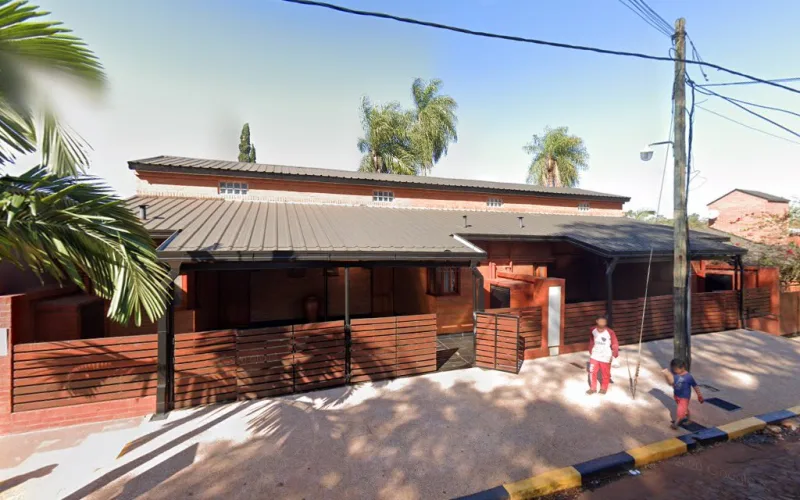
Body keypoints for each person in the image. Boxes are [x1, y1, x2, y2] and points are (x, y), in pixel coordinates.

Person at [662, 358, 704, 429]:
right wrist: (667, 375)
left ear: (682, 368)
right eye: (673, 369)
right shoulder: (675, 374)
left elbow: (695, 386)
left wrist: (699, 395)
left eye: (675, 369)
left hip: (684, 397)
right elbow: (671, 383)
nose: (673, 370)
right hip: (677, 395)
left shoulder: (688, 377)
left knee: (680, 411)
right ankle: (689, 420)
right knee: (684, 408)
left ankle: (676, 424)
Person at [586, 316, 619, 395]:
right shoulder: (592, 330)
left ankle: (604, 388)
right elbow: (591, 341)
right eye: (600, 321)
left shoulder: (610, 332)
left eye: (603, 322)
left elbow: (615, 343)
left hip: (605, 356)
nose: (602, 323)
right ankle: (593, 388)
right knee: (592, 371)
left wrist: (614, 355)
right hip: (595, 355)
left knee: (605, 373)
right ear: (596, 321)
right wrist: (590, 350)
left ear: (606, 323)